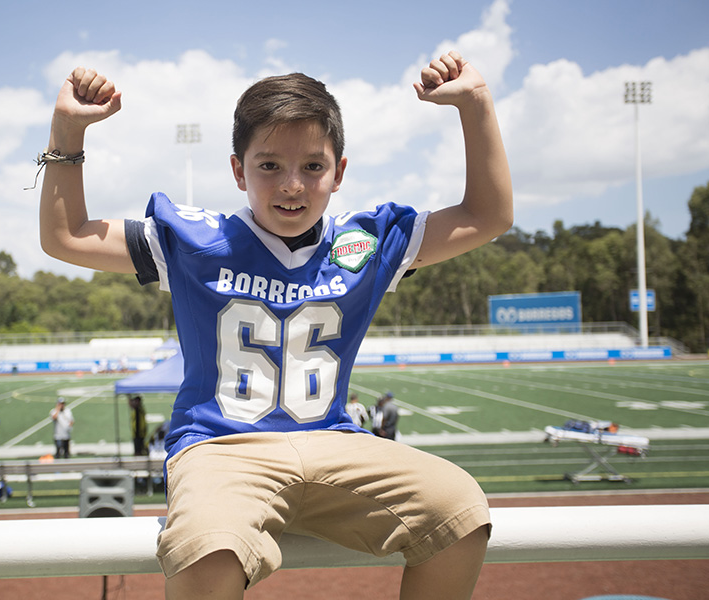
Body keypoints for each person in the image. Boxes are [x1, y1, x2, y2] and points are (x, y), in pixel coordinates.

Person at [39, 50, 511, 599]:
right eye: (269, 165)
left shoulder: (364, 242)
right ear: (238, 170)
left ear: (339, 174)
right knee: (208, 546)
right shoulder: (197, 238)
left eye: (313, 165)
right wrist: (68, 127)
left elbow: (488, 215)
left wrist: (474, 103)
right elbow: (66, 236)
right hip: (221, 446)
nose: (292, 184)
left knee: (459, 511)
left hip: (333, 441)